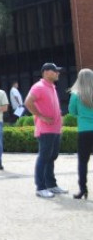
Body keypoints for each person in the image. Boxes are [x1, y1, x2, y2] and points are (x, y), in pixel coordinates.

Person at [25, 63, 65, 199]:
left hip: (55, 129)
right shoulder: (38, 87)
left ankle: (51, 184)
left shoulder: (52, 87)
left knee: (52, 157)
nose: (57, 73)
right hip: (45, 129)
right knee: (44, 157)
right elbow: (28, 102)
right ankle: (40, 187)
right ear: (46, 72)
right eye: (55, 71)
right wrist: (41, 116)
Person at [68, 68, 93, 200]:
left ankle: (83, 189)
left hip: (84, 131)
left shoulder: (76, 94)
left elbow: (71, 111)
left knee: (83, 162)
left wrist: (82, 115)